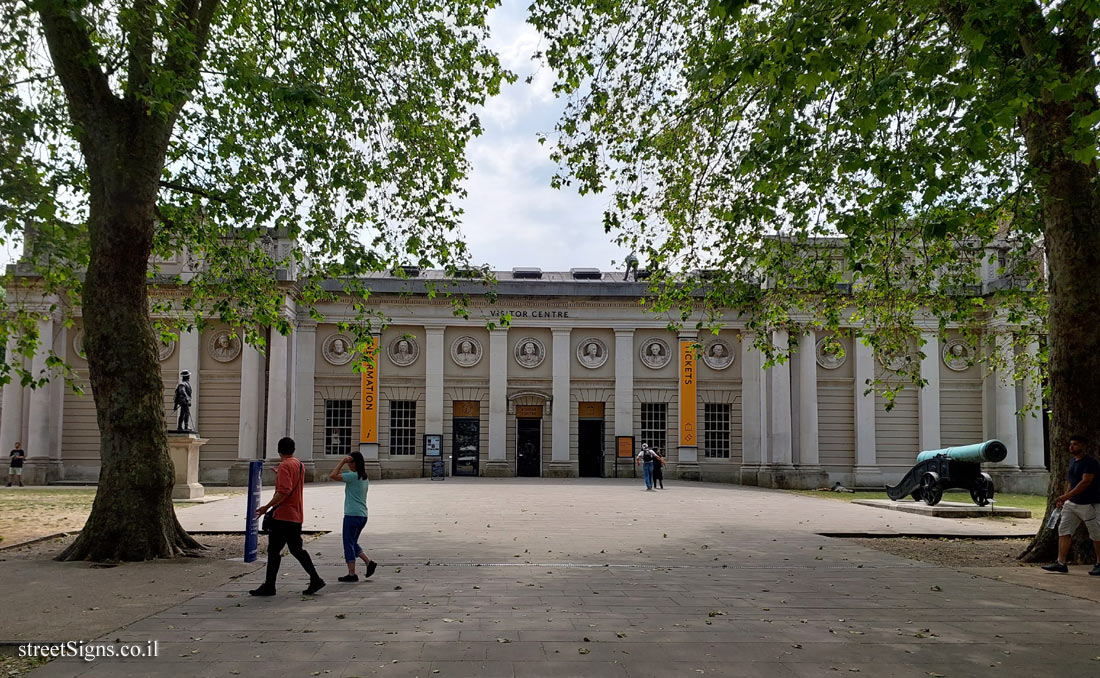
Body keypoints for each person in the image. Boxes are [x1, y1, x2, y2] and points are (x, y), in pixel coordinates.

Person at [250, 437, 325, 596]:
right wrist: (280, 473)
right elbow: (292, 482)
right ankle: (315, 578)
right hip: (296, 515)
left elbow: (284, 490)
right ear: (293, 450)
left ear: (279, 450)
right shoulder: (299, 464)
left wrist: (266, 507)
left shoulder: (284, 465)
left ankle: (270, 586)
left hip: (283, 515)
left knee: (273, 551)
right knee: (297, 550)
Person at [1042, 435, 1100, 575]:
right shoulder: (1072, 462)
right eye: (1071, 444)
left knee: (1096, 534)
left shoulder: (1090, 463)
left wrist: (1066, 496)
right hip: (1072, 504)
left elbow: (1085, 482)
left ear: (1083, 446)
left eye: (1075, 444)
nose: (1071, 447)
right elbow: (1071, 481)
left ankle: (1099, 563)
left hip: (1089, 503)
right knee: (1064, 530)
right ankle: (1061, 562)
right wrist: (1065, 498)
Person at [329, 452, 377, 582]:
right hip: (362, 515)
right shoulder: (364, 477)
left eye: (350, 462)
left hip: (352, 514)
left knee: (348, 543)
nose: (348, 464)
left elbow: (332, 475)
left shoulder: (352, 476)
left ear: (355, 463)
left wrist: (342, 462)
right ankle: (369, 562)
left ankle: (352, 574)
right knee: (353, 542)